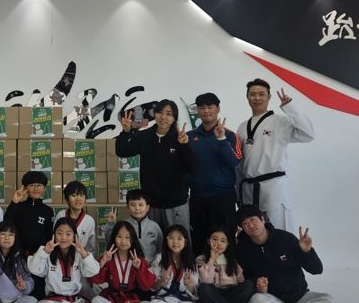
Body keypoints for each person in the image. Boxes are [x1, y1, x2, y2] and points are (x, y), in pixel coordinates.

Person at [235, 205, 336, 303]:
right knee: (256, 301)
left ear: (262, 219)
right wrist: (260, 285)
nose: (250, 225)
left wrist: (307, 251)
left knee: (330, 301)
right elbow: (249, 277)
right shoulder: (243, 249)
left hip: (300, 297)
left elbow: (317, 270)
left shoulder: (285, 239)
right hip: (273, 300)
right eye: (245, 223)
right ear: (242, 228)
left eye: (253, 219)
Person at [236, 79, 314, 231]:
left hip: (273, 188)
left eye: (261, 94)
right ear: (247, 97)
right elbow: (239, 162)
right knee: (253, 234)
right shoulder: (242, 126)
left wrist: (290, 108)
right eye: (253, 94)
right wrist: (238, 193)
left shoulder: (280, 122)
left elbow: (308, 134)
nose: (257, 98)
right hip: (249, 190)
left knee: (279, 233)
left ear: (269, 97)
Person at [115, 100, 194, 235]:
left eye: (168, 114)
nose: (163, 117)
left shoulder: (180, 138)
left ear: (174, 118)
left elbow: (191, 167)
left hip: (176, 204)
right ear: (154, 114)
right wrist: (125, 132)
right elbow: (122, 151)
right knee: (152, 243)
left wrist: (185, 145)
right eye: (160, 112)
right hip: (151, 204)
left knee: (178, 243)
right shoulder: (144, 136)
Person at [187, 93, 241, 249]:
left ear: (218, 109)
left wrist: (221, 140)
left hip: (223, 198)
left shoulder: (230, 135)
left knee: (225, 242)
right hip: (197, 198)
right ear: (197, 110)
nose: (206, 111)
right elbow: (183, 167)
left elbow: (234, 162)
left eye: (210, 107)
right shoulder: (189, 136)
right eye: (202, 108)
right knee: (199, 242)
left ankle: (228, 266)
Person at [28, 218, 100, 303]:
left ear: (74, 236)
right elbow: (34, 269)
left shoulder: (79, 253)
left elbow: (94, 271)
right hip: (54, 301)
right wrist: (45, 251)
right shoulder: (47, 252)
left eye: (68, 234)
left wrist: (83, 253)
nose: (64, 238)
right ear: (54, 235)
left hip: (74, 302)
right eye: (60, 233)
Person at [91, 221, 156, 303]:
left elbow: (146, 286)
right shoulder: (108, 257)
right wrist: (103, 262)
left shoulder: (138, 259)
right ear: (114, 238)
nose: (123, 241)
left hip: (131, 301)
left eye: (127, 237)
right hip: (112, 299)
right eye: (119, 236)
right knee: (96, 301)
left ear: (133, 239)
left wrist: (139, 268)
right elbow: (96, 280)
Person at [4, 171, 55, 300]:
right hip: (18, 256)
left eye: (39, 185)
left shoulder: (47, 211)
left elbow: (49, 235)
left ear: (44, 188)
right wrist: (14, 202)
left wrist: (46, 254)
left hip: (39, 256)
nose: (36, 188)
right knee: (18, 285)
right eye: (32, 185)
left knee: (38, 289)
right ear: (25, 188)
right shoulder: (18, 207)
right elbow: (7, 224)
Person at [150, 225, 214, 303]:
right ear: (166, 241)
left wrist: (190, 285)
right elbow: (152, 286)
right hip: (164, 301)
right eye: (171, 238)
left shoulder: (191, 262)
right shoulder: (160, 258)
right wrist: (162, 281)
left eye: (179, 238)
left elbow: (194, 294)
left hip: (183, 302)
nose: (175, 242)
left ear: (186, 242)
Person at [196, 228, 258, 303]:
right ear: (208, 241)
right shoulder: (201, 259)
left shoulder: (232, 262)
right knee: (203, 288)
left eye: (223, 241)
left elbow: (241, 282)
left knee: (249, 285)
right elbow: (206, 280)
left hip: (230, 293)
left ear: (227, 244)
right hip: (214, 293)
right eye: (215, 239)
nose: (218, 243)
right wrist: (212, 259)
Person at [101, 189, 162, 264]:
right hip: (128, 267)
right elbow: (110, 242)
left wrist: (155, 266)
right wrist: (111, 224)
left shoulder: (155, 226)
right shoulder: (123, 225)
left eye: (140, 205)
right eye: (133, 205)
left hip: (150, 268)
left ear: (147, 207)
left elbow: (160, 250)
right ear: (127, 207)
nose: (137, 208)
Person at [53, 181, 96, 253]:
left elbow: (90, 247)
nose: (78, 199)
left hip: (80, 256)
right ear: (67, 200)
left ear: (85, 199)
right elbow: (54, 238)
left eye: (81, 195)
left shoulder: (90, 221)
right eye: (74, 195)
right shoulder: (60, 215)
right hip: (61, 255)